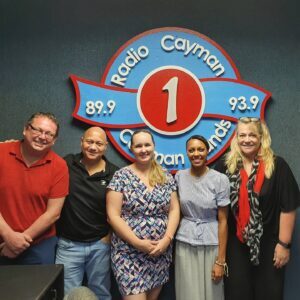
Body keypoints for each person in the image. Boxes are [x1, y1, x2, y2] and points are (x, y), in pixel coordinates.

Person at [214, 117, 300, 300]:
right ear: (236, 138)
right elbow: (214, 204)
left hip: (269, 245)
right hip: (235, 245)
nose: (247, 139)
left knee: (269, 294)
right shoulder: (224, 166)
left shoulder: (277, 166)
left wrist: (284, 244)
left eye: (252, 135)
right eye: (242, 135)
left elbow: (289, 207)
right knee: (237, 294)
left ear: (262, 137)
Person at [106, 129, 180, 300]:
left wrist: (167, 239)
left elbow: (175, 209)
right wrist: (138, 243)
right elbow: (113, 216)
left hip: (159, 252)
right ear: (131, 149)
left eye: (147, 145)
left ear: (154, 147)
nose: (143, 149)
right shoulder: (121, 177)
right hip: (128, 253)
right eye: (138, 146)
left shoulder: (165, 176)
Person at [56, 127, 118, 299]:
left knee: (101, 293)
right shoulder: (66, 163)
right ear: (82, 141)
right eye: (89, 141)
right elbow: (42, 157)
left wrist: (109, 236)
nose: (93, 147)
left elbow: (121, 211)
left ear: (105, 147)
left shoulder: (114, 173)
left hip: (100, 245)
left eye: (99, 143)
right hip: (68, 245)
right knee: (67, 294)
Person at [0, 112, 69, 265]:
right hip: (2, 240)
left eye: (49, 134)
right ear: (25, 129)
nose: (42, 136)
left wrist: (19, 242)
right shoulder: (1, 152)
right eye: (37, 130)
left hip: (39, 244)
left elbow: (53, 213)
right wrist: (8, 235)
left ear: (54, 140)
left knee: (41, 288)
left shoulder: (59, 166)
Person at [175, 135, 230, 300]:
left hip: (211, 244)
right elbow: (175, 212)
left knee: (212, 294)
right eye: (191, 150)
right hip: (184, 243)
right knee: (187, 293)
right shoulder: (179, 177)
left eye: (200, 149)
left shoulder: (220, 180)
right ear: (187, 153)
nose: (196, 153)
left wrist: (221, 261)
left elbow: (224, 221)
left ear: (207, 151)